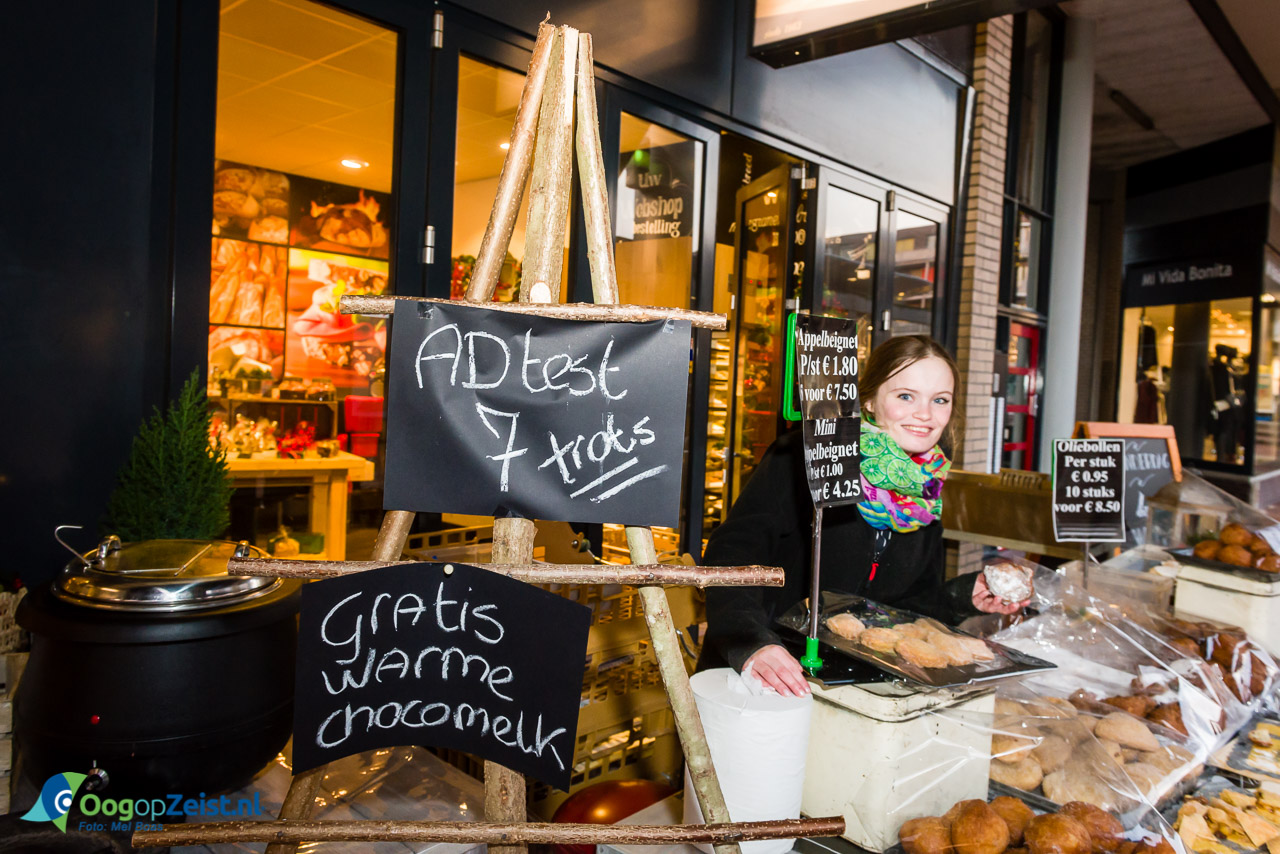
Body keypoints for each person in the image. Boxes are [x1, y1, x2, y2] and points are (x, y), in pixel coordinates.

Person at [698, 335, 1027, 697]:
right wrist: (751, 642)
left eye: (940, 400)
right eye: (906, 396)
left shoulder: (924, 490)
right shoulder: (807, 457)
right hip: (765, 680)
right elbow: (731, 553)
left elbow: (906, 612)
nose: (925, 414)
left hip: (854, 688)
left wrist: (965, 595)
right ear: (869, 400)